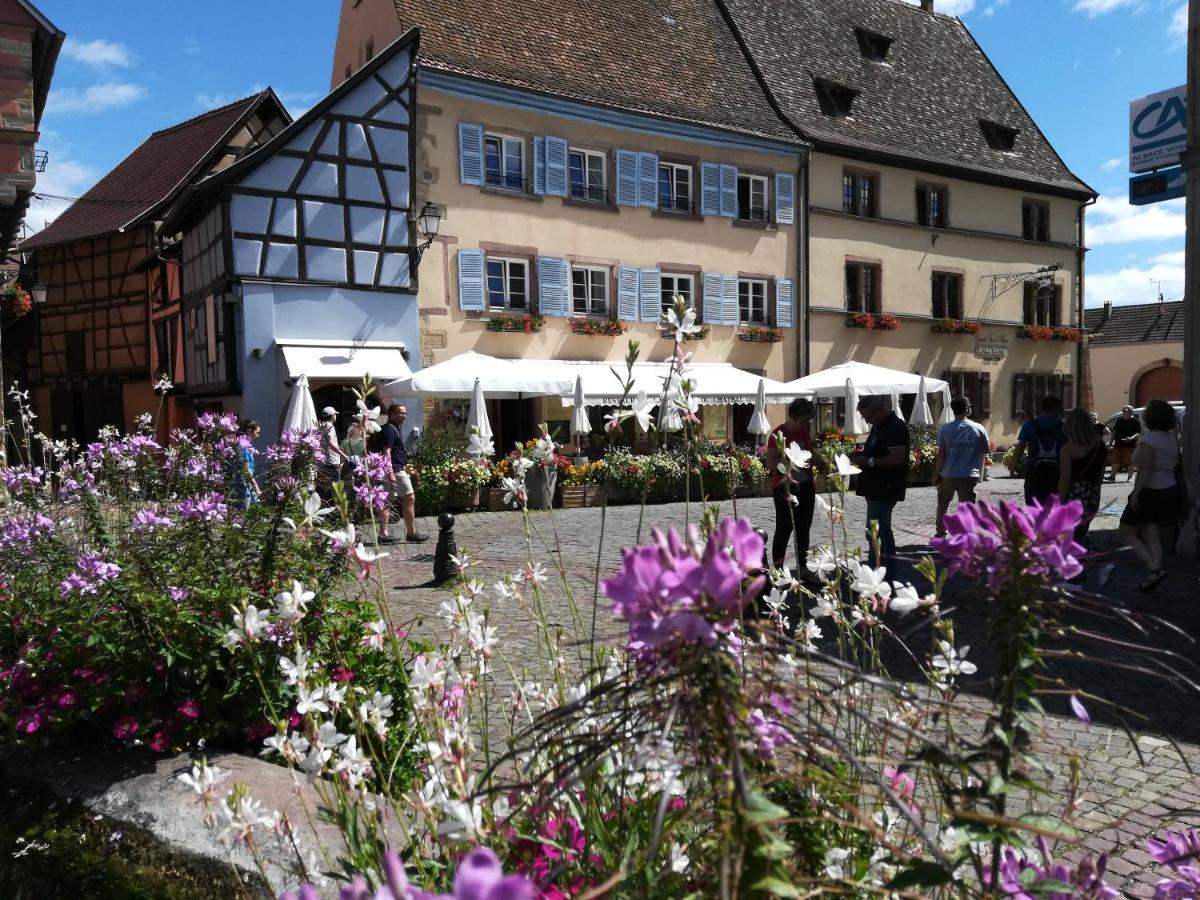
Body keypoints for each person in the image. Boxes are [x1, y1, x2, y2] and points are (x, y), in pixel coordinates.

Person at [1119, 400, 1181, 592]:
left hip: (1150, 490)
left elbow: (1145, 470)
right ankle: (1154, 575)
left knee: (1126, 532)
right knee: (1152, 534)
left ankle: (1154, 568)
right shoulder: (1172, 438)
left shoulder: (1150, 440)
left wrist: (1136, 494)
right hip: (1168, 489)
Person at [850, 394, 910, 581]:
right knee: (881, 531)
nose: (867, 421)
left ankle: (876, 574)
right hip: (876, 487)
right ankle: (885, 572)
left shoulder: (895, 427)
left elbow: (896, 458)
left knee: (875, 532)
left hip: (885, 487)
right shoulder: (880, 426)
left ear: (879, 410)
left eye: (868, 417)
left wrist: (868, 460)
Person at [765, 398, 820, 571]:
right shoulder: (777, 434)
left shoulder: (803, 433)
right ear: (793, 416)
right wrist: (786, 465)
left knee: (803, 530)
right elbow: (770, 463)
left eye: (808, 421)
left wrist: (823, 462)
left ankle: (802, 569)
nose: (806, 425)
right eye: (803, 421)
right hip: (785, 488)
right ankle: (779, 571)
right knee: (784, 529)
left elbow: (809, 454)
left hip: (806, 487)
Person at [933, 397, 989, 538]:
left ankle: (941, 531)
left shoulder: (945, 429)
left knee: (943, 503)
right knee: (966, 506)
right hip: (970, 474)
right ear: (967, 409)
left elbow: (941, 454)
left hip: (949, 473)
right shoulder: (979, 428)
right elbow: (984, 451)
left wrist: (936, 474)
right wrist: (979, 472)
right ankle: (965, 533)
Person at [1057, 408, 1107, 548]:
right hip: (1093, 493)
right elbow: (1101, 474)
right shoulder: (1100, 445)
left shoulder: (1068, 449)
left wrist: (1059, 501)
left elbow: (1065, 478)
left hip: (1074, 494)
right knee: (1081, 532)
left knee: (1067, 534)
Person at [379, 403, 428, 543]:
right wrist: (391, 473)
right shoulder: (389, 430)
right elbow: (386, 452)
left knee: (387, 501)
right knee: (409, 498)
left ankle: (384, 534)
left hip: (395, 468)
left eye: (405, 413)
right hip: (394, 469)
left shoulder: (393, 428)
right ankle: (410, 534)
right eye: (402, 413)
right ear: (392, 414)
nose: (405, 416)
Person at [1013, 395, 1065, 506]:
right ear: (1056, 409)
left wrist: (1014, 464)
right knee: (1053, 508)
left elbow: (1020, 447)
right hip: (1057, 473)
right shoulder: (1063, 426)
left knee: (1034, 506)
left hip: (1034, 471)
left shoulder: (1029, 425)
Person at [231, 419, 262, 509]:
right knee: (246, 511)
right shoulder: (242, 446)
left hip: (245, 482)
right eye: (257, 432)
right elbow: (245, 468)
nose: (258, 435)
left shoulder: (245, 445)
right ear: (249, 430)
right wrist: (256, 487)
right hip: (243, 484)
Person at [318, 407, 349, 494]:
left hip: (322, 463)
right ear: (332, 416)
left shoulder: (320, 426)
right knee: (335, 491)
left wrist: (338, 447)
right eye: (335, 414)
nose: (336, 416)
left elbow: (324, 443)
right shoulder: (329, 426)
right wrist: (344, 455)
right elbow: (331, 444)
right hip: (332, 463)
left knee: (323, 490)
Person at [1107, 405, 1141, 482]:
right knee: (1115, 460)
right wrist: (1111, 442)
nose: (1124, 413)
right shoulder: (1119, 420)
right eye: (1124, 412)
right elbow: (1114, 432)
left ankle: (1130, 477)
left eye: (1126, 411)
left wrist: (1131, 438)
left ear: (1131, 412)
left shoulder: (1135, 421)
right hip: (1118, 444)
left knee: (1130, 462)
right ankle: (1112, 477)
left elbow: (1138, 433)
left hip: (1130, 445)